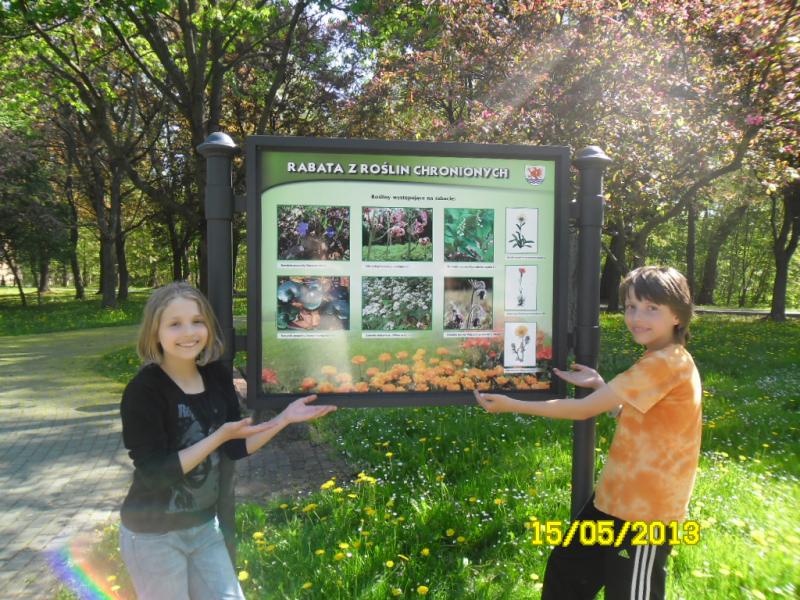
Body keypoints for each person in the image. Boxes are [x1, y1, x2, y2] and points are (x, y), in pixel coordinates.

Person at [475, 266, 701, 600]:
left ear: (678, 316)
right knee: (567, 573)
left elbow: (583, 410)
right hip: (612, 500)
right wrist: (600, 384)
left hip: (645, 516)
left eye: (652, 308)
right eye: (631, 306)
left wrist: (512, 403)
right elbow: (631, 412)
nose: (637, 317)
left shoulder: (666, 362)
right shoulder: (658, 358)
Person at [119, 282, 336, 600]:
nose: (189, 332)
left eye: (197, 321)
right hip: (152, 534)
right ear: (155, 332)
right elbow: (154, 472)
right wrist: (217, 436)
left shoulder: (217, 376)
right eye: (174, 324)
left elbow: (235, 445)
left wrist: (284, 418)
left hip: (204, 527)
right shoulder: (144, 391)